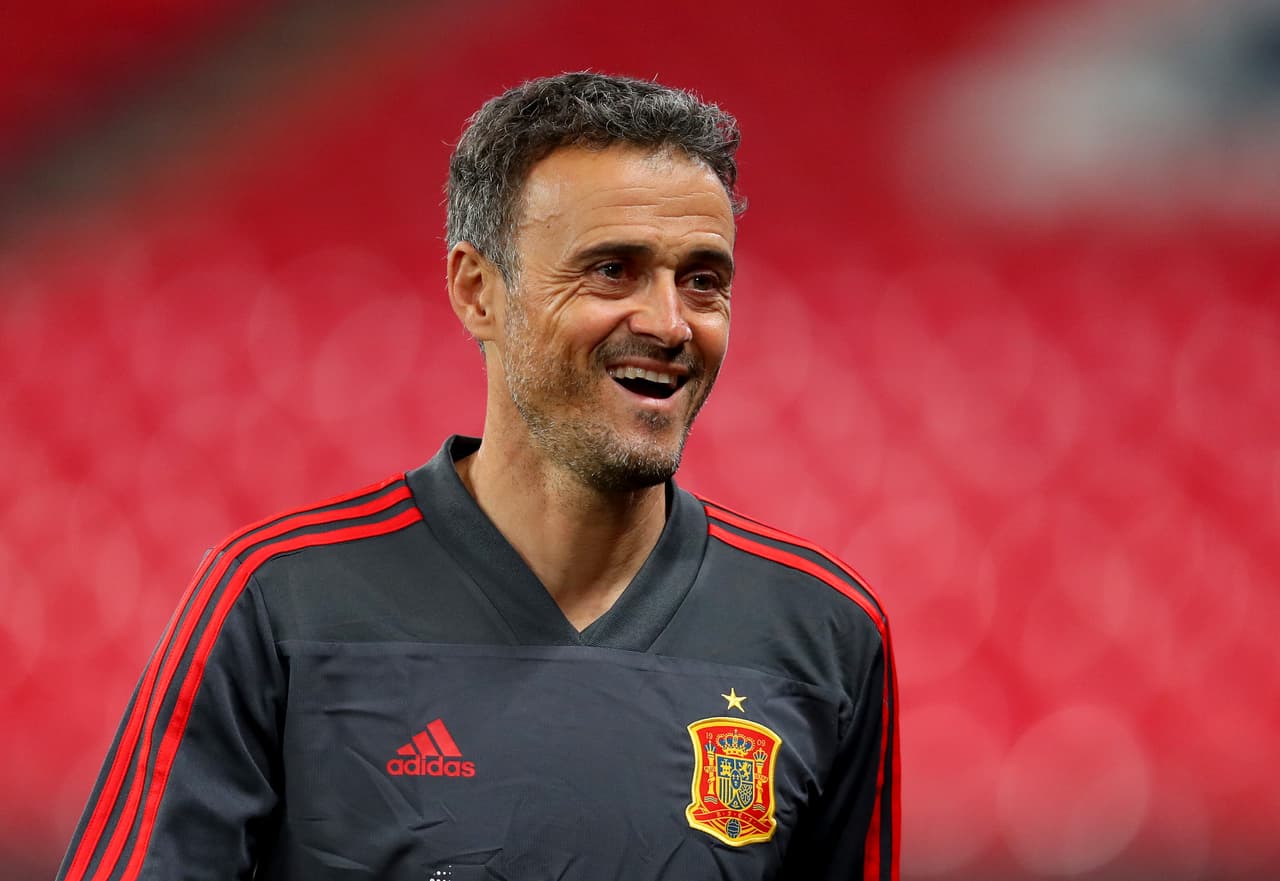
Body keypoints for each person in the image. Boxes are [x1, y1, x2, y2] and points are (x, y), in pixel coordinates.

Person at [57, 72, 899, 881]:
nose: (669, 322)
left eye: (703, 281)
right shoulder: (277, 607)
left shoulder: (827, 638)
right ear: (476, 291)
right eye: (613, 270)